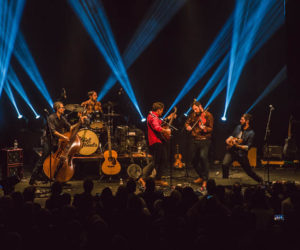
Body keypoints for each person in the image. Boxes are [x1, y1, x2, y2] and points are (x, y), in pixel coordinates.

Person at [29, 101, 85, 185]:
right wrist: (64, 137)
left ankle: (58, 179)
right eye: (62, 107)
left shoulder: (62, 118)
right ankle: (32, 179)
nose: (63, 109)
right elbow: (53, 131)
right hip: (48, 140)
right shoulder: (51, 117)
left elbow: (70, 128)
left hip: (57, 142)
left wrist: (79, 122)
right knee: (43, 159)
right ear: (58, 109)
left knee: (58, 161)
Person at [222, 113, 263, 183]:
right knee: (224, 164)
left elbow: (248, 147)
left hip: (241, 154)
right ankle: (225, 182)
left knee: (249, 171)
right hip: (232, 151)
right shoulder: (238, 127)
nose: (240, 121)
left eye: (242, 119)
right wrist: (228, 139)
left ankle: (260, 181)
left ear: (247, 121)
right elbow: (232, 135)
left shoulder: (251, 133)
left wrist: (238, 145)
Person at [139, 102, 171, 187]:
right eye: (162, 111)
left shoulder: (153, 116)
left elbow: (160, 122)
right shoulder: (153, 117)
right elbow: (157, 127)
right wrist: (166, 131)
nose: (162, 112)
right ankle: (143, 178)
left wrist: (168, 118)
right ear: (159, 110)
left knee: (163, 159)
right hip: (155, 141)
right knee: (155, 161)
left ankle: (158, 179)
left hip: (157, 141)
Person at [185, 100, 214, 187]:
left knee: (203, 157)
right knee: (193, 161)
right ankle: (201, 176)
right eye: (194, 109)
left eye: (196, 109)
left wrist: (204, 128)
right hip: (195, 140)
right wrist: (188, 127)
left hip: (205, 140)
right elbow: (187, 123)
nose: (195, 111)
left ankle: (206, 179)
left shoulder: (208, 115)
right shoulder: (193, 115)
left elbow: (211, 128)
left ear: (200, 106)